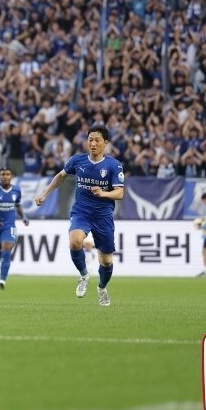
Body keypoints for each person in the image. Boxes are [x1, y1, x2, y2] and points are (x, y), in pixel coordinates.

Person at [34, 125, 124, 307]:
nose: (93, 143)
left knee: (106, 261)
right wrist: (44, 194)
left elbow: (119, 193)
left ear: (105, 143)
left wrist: (104, 193)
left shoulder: (114, 165)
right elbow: (60, 176)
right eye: (90, 140)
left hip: (103, 216)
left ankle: (102, 288)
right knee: (75, 241)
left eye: (97, 140)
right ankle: (84, 275)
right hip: (81, 212)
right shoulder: (77, 160)